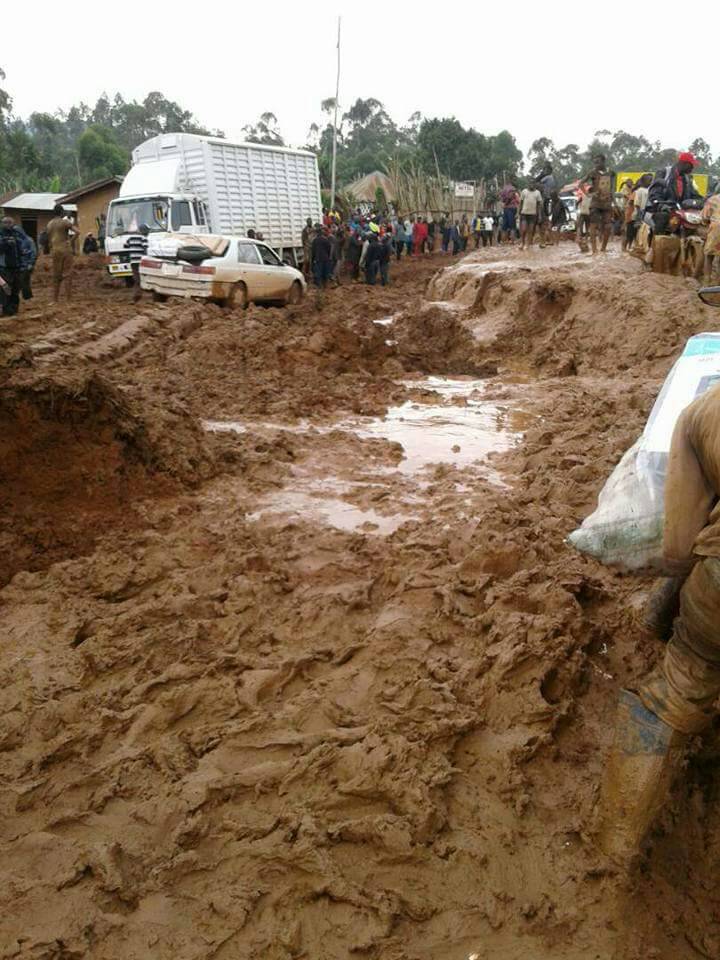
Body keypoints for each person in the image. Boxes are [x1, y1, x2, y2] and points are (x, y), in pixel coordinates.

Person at [597, 382, 720, 862]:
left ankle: (613, 845)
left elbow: (678, 546)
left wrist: (663, 607)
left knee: (679, 685)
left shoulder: (702, 410)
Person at [648, 151, 702, 236]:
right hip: (664, 209)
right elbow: (654, 193)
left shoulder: (687, 179)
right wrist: (661, 205)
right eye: (691, 165)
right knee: (662, 217)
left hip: (681, 212)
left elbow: (694, 194)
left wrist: (703, 201)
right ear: (683, 164)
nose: (692, 168)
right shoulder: (664, 173)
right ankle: (657, 245)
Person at [579, 153, 615, 254]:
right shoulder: (592, 173)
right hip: (595, 203)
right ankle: (594, 250)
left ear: (603, 161)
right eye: (595, 162)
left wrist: (615, 202)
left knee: (608, 226)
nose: (596, 164)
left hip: (607, 203)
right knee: (593, 225)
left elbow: (612, 188)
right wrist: (588, 194)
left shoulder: (610, 172)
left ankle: (603, 248)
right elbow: (581, 183)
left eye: (598, 162)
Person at [46, 204, 80, 302]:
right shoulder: (64, 222)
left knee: (56, 275)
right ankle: (68, 299)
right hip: (65, 249)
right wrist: (71, 241)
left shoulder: (49, 224)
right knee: (67, 274)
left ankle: (55, 299)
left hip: (55, 250)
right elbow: (78, 232)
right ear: (62, 212)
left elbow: (49, 240)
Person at [1, 216, 36, 301]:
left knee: (22, 283)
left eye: (10, 223)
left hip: (23, 265)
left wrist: (30, 263)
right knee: (14, 284)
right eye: (5, 223)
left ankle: (27, 298)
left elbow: (33, 252)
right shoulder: (6, 237)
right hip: (14, 266)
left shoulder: (27, 240)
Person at [0, 220, 22, 316]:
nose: (8, 224)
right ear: (2, 224)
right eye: (6, 222)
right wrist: (6, 242)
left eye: (10, 222)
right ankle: (7, 310)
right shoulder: (1, 235)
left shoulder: (16, 234)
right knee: (6, 289)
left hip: (16, 267)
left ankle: (14, 309)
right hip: (5, 268)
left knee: (16, 289)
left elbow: (20, 249)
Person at [534, 162, 556, 246]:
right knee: (544, 221)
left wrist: (540, 175)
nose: (544, 171)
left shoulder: (548, 178)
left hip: (544, 200)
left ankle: (544, 241)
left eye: (545, 169)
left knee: (543, 221)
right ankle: (549, 240)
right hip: (546, 199)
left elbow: (535, 183)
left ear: (549, 170)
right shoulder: (551, 178)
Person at [702, 183, 720, 283]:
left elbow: (704, 218)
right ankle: (718, 281)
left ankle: (706, 281)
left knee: (709, 256)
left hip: (716, 230)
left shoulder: (712, 199)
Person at [518, 183, 543, 249]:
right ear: (528, 184)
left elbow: (539, 205)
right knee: (523, 229)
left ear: (534, 185)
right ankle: (522, 242)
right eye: (530, 184)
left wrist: (539, 215)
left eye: (533, 184)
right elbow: (521, 203)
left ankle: (527, 244)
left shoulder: (537, 193)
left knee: (531, 230)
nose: (531, 185)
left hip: (533, 214)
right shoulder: (524, 191)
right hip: (524, 213)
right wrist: (518, 213)